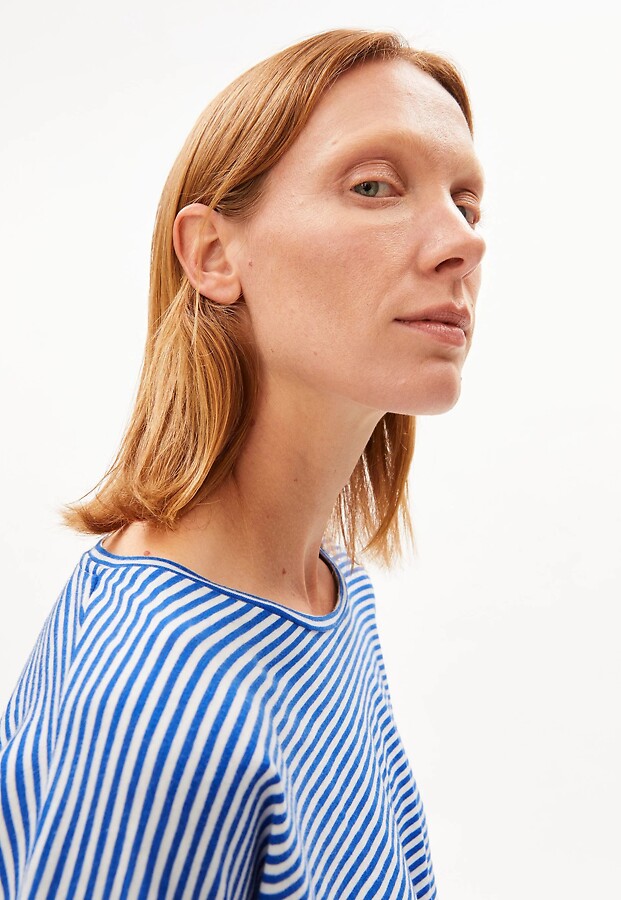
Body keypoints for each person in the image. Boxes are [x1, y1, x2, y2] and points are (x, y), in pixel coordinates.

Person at [0, 28, 485, 899]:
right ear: (213, 255)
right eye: (374, 186)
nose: (463, 243)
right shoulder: (152, 709)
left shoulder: (328, 591)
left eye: (466, 203)